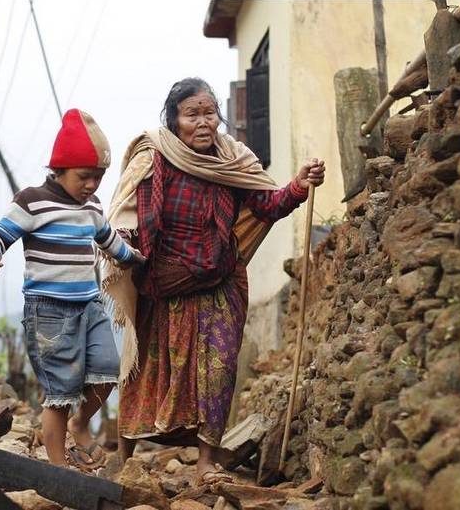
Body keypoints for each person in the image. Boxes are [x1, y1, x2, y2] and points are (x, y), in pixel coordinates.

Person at [103, 78, 325, 484]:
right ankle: (125, 456)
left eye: (210, 113)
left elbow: (267, 203)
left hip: (220, 282)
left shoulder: (234, 160)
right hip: (163, 285)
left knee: (219, 372)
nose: (203, 122)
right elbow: (128, 211)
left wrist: (297, 186)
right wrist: (125, 243)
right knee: (146, 371)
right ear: (174, 121)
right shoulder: (155, 157)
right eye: (192, 114)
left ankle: (206, 463)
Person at [0, 109, 146, 469]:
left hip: (89, 305)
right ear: (60, 169)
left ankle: (80, 424)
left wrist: (133, 257)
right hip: (49, 312)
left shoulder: (93, 207)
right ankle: (57, 468)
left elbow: (109, 240)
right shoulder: (32, 201)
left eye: (98, 178)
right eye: (85, 177)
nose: (91, 186)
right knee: (60, 394)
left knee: (107, 369)